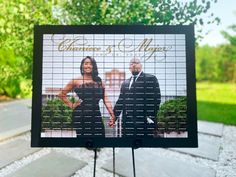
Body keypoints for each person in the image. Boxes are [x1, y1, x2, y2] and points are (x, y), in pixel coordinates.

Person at [58, 56, 116, 137]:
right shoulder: (75, 81)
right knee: (83, 141)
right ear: (82, 66)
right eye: (86, 63)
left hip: (96, 114)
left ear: (93, 66)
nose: (88, 66)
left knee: (99, 139)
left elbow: (106, 99)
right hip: (81, 115)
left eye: (90, 64)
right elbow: (61, 94)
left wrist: (112, 114)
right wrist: (72, 105)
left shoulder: (100, 82)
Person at [113, 58, 161, 137]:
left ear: (141, 66)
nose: (134, 65)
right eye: (131, 63)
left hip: (144, 122)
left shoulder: (150, 78)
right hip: (127, 124)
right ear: (129, 67)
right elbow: (120, 101)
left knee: (144, 147)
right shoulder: (125, 83)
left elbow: (156, 99)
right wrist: (114, 117)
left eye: (136, 63)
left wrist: (150, 117)